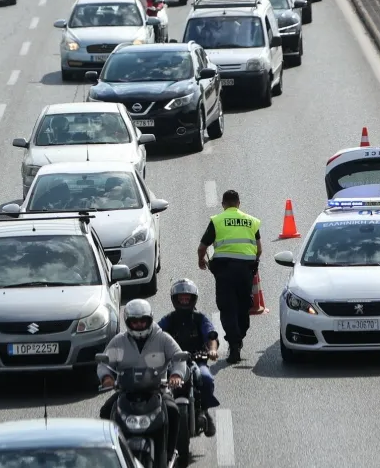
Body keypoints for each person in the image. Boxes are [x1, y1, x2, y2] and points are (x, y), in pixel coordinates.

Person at [98, 299, 186, 456]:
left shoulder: (163, 339)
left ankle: (170, 452)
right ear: (128, 322)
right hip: (126, 393)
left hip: (157, 391)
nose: (139, 325)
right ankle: (112, 454)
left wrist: (176, 375)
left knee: (173, 411)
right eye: (135, 322)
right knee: (106, 411)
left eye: (143, 321)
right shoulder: (118, 341)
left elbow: (178, 357)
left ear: (150, 319)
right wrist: (106, 377)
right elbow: (104, 363)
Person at [198, 190, 261, 363]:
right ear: (239, 203)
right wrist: (253, 263)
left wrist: (201, 260)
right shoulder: (251, 221)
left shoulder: (217, 220)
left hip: (224, 271)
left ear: (223, 205)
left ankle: (234, 343)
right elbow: (259, 249)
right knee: (243, 307)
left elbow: (202, 247)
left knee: (227, 308)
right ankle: (238, 338)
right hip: (245, 271)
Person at [157, 278, 220, 435]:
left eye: (187, 298)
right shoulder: (169, 319)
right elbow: (155, 334)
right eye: (181, 298)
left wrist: (212, 350)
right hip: (172, 363)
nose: (184, 301)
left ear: (193, 299)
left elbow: (211, 336)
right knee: (158, 383)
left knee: (206, 378)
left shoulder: (200, 318)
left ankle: (204, 411)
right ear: (175, 299)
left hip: (196, 361)